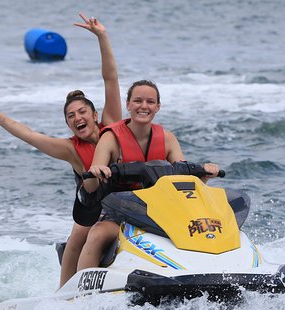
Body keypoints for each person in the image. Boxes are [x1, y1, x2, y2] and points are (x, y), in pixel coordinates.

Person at [0, 13, 120, 287]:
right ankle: (65, 291)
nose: (77, 118)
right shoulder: (70, 149)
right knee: (79, 234)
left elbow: (110, 79)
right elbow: (29, 135)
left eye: (82, 112)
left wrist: (102, 37)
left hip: (130, 203)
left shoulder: (112, 126)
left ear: (94, 114)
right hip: (96, 209)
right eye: (70, 116)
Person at [76, 80, 220, 271]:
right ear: (128, 105)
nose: (144, 106)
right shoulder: (110, 138)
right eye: (137, 101)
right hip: (120, 214)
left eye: (150, 102)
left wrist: (205, 175)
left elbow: (183, 181)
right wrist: (95, 172)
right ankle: (82, 296)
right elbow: (92, 186)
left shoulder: (167, 139)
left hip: (160, 214)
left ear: (158, 107)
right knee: (97, 235)